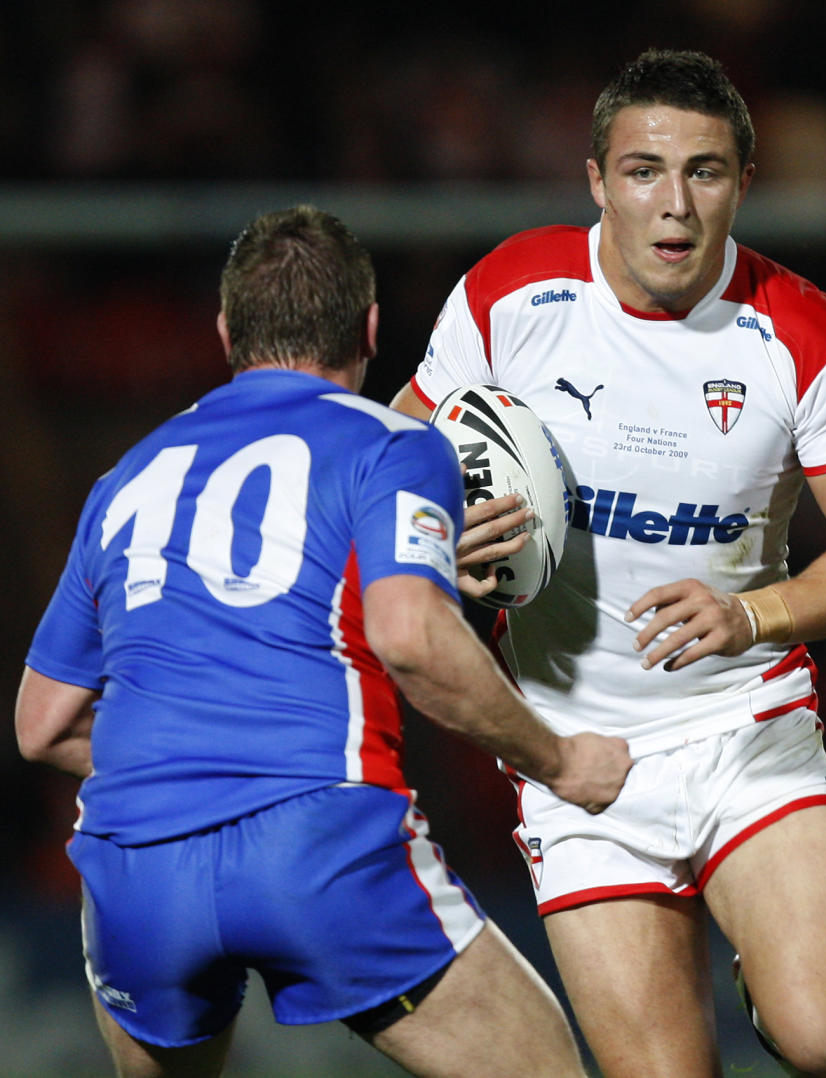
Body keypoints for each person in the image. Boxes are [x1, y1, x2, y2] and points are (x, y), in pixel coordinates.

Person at [391, 49, 826, 1078]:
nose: (674, 204)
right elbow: (395, 467)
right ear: (596, 181)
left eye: (706, 172)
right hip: (575, 757)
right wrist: (439, 544)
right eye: (644, 170)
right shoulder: (511, 294)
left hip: (742, 728)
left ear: (744, 184)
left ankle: (773, 979)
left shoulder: (803, 334)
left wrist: (756, 614)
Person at [14, 205, 634, 1078]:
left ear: (228, 330)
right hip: (319, 846)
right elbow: (410, 636)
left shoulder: (127, 477)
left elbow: (40, 724)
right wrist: (562, 761)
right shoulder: (393, 444)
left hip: (137, 869)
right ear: (371, 327)